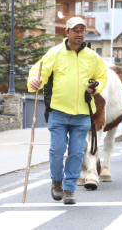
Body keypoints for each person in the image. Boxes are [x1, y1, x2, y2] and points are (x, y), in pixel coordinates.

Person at [27, 17, 107, 204]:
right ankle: (56, 182)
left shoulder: (93, 57)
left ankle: (69, 190)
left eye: (82, 30)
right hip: (58, 112)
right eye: (75, 30)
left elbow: (102, 77)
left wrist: (96, 87)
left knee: (77, 153)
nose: (79, 33)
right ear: (67, 32)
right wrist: (34, 82)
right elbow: (37, 72)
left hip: (82, 114)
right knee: (57, 150)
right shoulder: (54, 53)